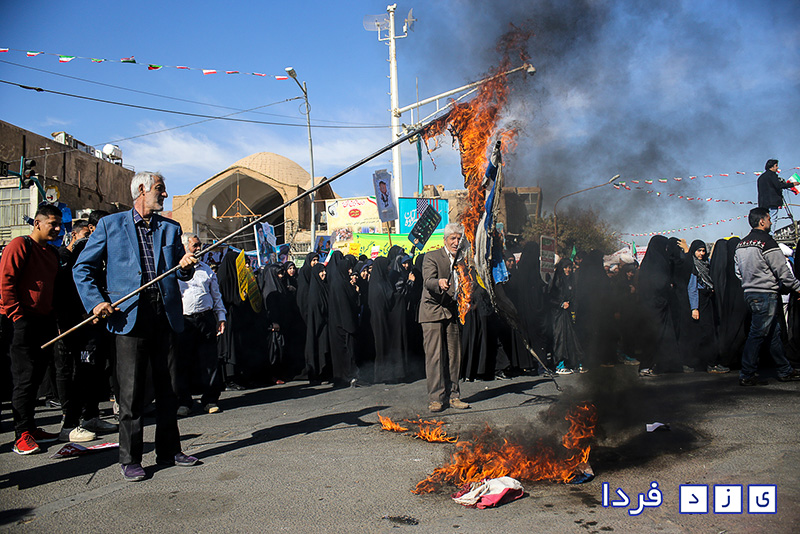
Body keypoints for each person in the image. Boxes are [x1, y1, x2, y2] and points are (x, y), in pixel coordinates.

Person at [73, 171, 200, 481]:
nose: (165, 194)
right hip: (129, 316)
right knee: (131, 392)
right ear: (142, 189)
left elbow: (178, 271)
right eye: (160, 189)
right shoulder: (110, 225)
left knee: (169, 388)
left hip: (164, 315)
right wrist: (96, 302)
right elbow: (82, 268)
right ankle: (130, 458)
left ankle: (169, 450)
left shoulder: (170, 228)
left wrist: (185, 266)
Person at [0, 204, 63, 455]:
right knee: (24, 378)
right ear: (37, 223)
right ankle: (21, 434)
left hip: (43, 320)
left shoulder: (52, 253)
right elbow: (6, 282)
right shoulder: (20, 245)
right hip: (20, 320)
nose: (57, 229)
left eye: (59, 225)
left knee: (37, 376)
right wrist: (17, 316)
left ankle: (31, 427)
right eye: (52, 224)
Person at [733, 207, 800, 386]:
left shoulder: (741, 244)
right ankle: (747, 373)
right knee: (757, 334)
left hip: (749, 293)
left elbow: (738, 272)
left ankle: (785, 370)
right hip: (765, 294)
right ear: (762, 221)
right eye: (769, 219)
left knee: (772, 333)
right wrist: (797, 287)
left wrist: (750, 282)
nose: (771, 222)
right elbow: (782, 271)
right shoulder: (767, 242)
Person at [419, 223, 469, 412]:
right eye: (452, 238)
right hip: (432, 311)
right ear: (445, 240)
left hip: (452, 310)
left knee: (454, 356)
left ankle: (454, 395)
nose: (456, 242)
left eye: (459, 239)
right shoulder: (432, 256)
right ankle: (436, 398)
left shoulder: (462, 260)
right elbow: (428, 280)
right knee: (435, 357)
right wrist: (438, 282)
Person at [174, 233, 226, 416]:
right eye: (194, 245)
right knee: (182, 362)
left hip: (205, 318)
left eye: (199, 245)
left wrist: (221, 316)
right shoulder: (174, 270)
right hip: (183, 320)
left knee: (209, 360)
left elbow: (216, 295)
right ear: (184, 247)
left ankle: (210, 399)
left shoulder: (206, 270)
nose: (198, 249)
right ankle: (183, 402)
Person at [757, 159, 795, 224]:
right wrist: (792, 184)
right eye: (776, 165)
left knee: (765, 219)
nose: (777, 167)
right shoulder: (772, 175)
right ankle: (771, 230)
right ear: (772, 166)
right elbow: (778, 185)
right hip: (772, 202)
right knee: (773, 218)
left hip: (763, 203)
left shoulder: (760, 178)